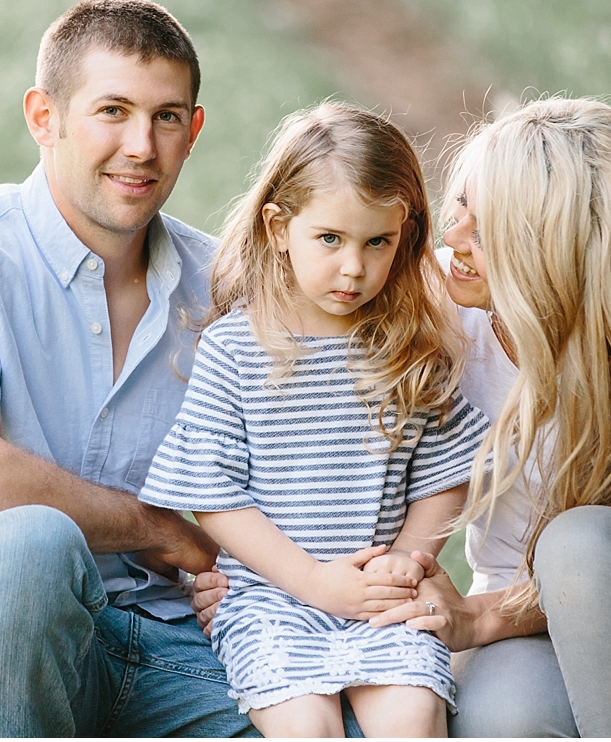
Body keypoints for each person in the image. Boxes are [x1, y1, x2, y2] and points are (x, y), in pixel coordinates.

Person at [193, 96, 611, 736]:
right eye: (461, 204)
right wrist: (256, 578)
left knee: (580, 541)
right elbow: (287, 382)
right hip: (531, 621)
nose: (451, 237)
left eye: (488, 226)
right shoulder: (431, 304)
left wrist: (484, 618)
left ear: (558, 247)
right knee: (501, 724)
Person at [0, 0, 258, 736]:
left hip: (176, 652)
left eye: (167, 116)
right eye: (111, 110)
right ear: (43, 117)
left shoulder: (229, 288)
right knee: (32, 544)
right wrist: (157, 529)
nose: (141, 145)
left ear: (194, 130)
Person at [139, 103, 490, 737]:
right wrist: (312, 583)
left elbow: (447, 473)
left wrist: (409, 558)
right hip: (271, 600)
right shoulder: (237, 348)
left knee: (414, 721)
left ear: (404, 237)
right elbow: (214, 496)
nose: (353, 267)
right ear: (279, 227)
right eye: (330, 239)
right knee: (310, 728)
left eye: (376, 242)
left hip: (382, 599)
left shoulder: (407, 346)